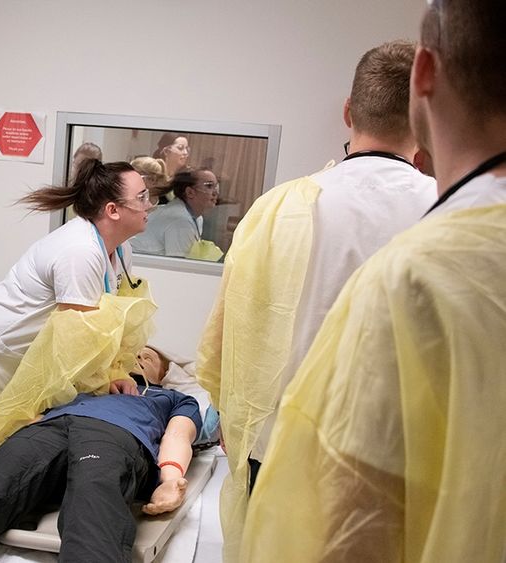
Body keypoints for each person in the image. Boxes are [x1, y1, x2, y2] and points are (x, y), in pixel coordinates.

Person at [239, 11, 506, 560]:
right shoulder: (438, 223)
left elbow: (236, 341)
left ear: (425, 76)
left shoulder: (410, 268)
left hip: (300, 453)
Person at [196, 40, 438, 562]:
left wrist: (228, 417)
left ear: (348, 112)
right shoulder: (445, 209)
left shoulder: (276, 208)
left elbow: (227, 332)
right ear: (425, 117)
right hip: (391, 457)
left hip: (276, 444)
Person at [0, 380, 202, 563]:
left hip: (112, 435)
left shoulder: (170, 397)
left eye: (148, 356)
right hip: (47, 430)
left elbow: (178, 436)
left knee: (93, 502)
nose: (138, 357)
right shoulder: (82, 385)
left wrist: (171, 477)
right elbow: (31, 419)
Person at [0, 159, 152, 422]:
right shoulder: (80, 251)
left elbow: (106, 330)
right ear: (113, 210)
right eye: (141, 197)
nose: (150, 205)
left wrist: (116, 373)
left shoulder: (121, 249)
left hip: (19, 363)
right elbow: (77, 344)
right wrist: (102, 382)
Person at [131, 168, 220, 258]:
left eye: (216, 186)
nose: (215, 192)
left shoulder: (197, 218)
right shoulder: (180, 220)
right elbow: (179, 267)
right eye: (209, 186)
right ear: (190, 192)